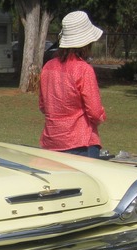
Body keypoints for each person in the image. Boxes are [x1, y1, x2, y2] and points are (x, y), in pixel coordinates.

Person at [38, 11, 106, 158]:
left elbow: (43, 106)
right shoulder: (83, 69)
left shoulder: (48, 67)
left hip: (52, 141)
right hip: (80, 143)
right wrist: (101, 115)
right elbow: (95, 112)